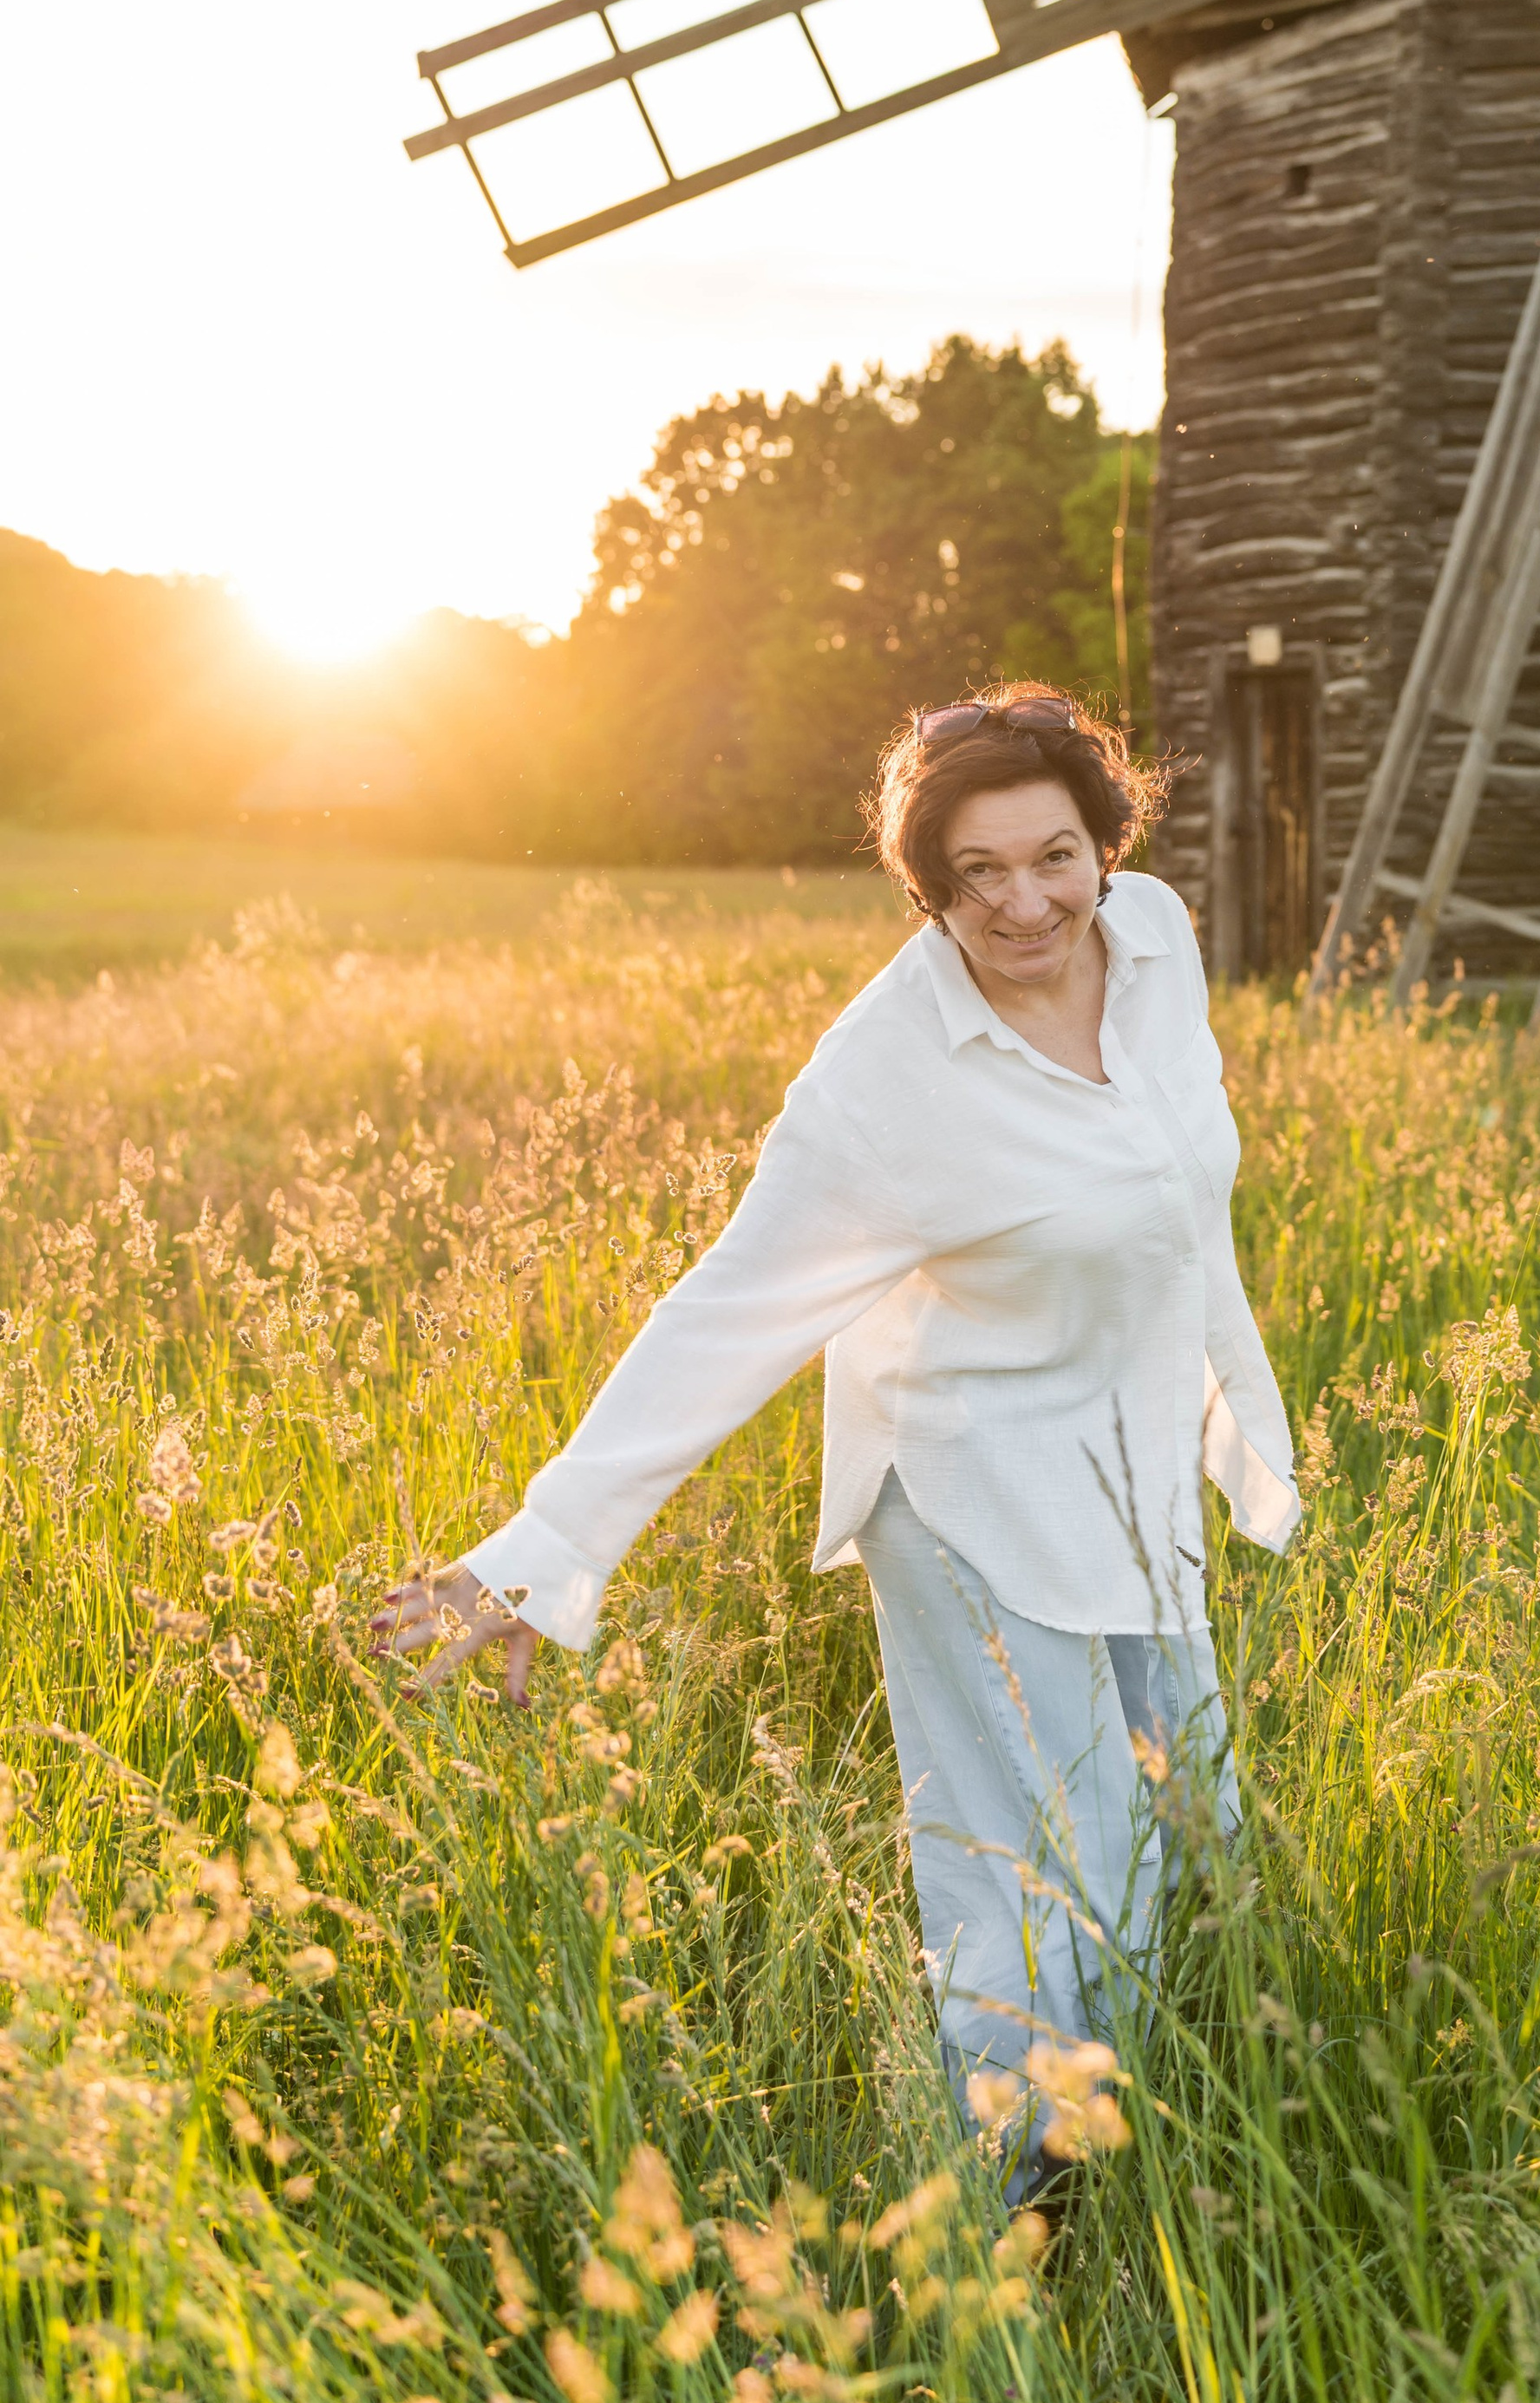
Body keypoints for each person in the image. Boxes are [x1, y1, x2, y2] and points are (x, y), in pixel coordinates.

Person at [371, 686, 1300, 2183]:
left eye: (1054, 856)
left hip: (1128, 1468)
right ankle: (1014, 2212)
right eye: (974, 875)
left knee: (1187, 1826)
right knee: (1043, 1875)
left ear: (1107, 845)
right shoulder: (885, 1082)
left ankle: (1163, 2151)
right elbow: (725, 1313)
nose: (1023, 902)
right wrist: (538, 1551)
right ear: (926, 887)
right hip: (974, 1491)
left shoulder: (1158, 944)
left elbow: (1175, 1189)